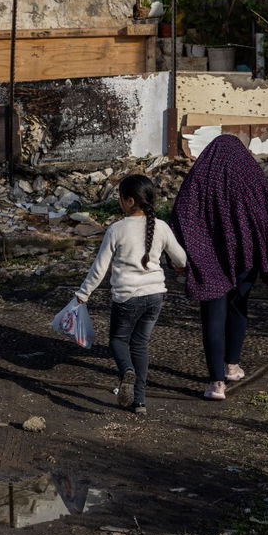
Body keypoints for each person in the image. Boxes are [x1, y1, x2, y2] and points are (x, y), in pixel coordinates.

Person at [171, 135, 268, 401]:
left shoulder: (201, 176)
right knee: (239, 306)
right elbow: (267, 214)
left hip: (208, 257)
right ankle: (232, 366)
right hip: (246, 256)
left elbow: (182, 213)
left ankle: (216, 384)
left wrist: (183, 255)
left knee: (213, 317)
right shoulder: (249, 175)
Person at [72, 174, 187, 414]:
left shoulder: (117, 229)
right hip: (155, 295)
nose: (120, 202)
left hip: (127, 297)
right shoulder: (162, 227)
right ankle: (140, 402)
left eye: (121, 198)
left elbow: (99, 268)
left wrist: (83, 294)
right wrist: (176, 265)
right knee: (140, 345)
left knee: (118, 340)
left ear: (130, 201)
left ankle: (126, 372)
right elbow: (181, 259)